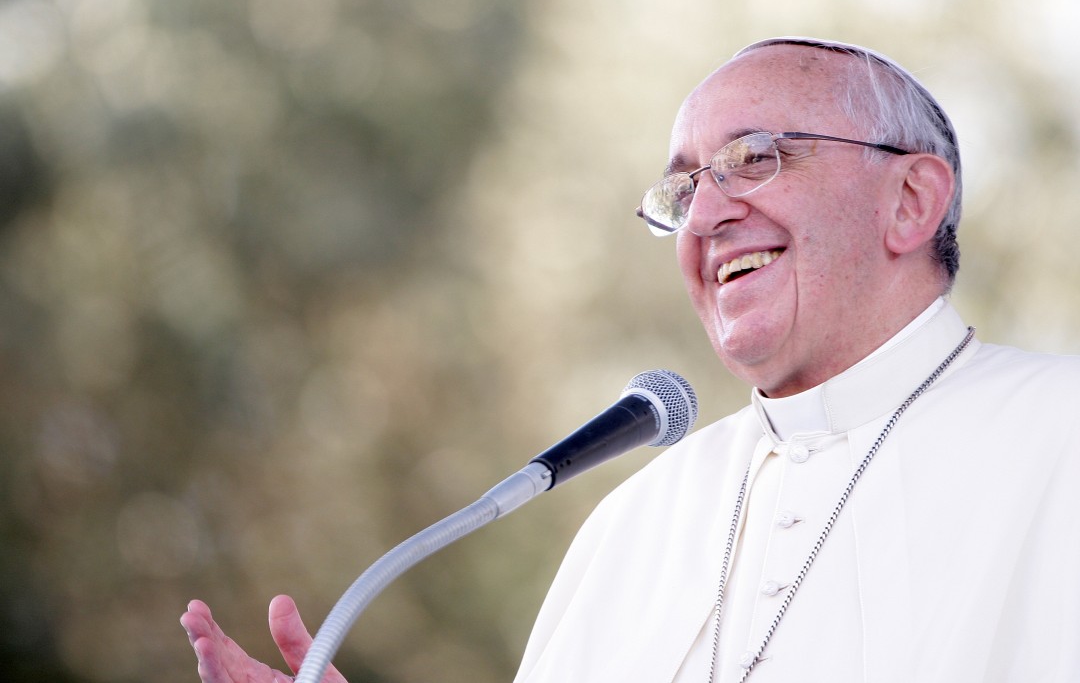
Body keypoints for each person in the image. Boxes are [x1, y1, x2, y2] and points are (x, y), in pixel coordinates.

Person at [182, 38, 1080, 682]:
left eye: (755, 158)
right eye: (683, 189)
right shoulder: (632, 521)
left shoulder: (1060, 435)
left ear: (911, 199)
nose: (705, 215)